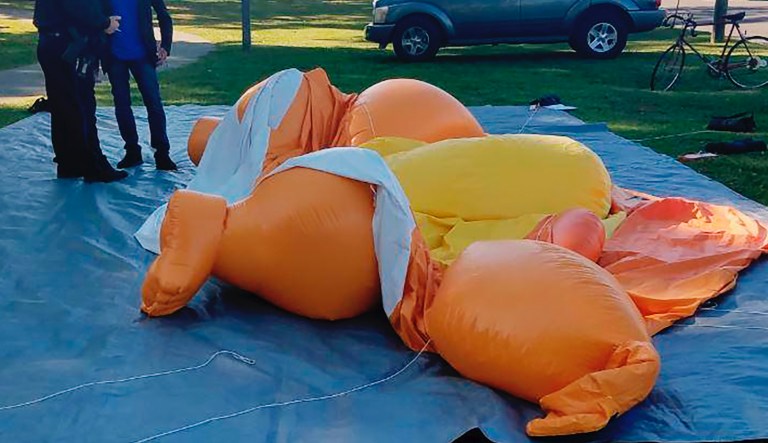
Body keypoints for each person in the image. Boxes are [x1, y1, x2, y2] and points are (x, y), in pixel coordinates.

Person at [33, 0, 128, 182]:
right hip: (67, 45)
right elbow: (79, 6)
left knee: (63, 107)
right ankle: (93, 165)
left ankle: (68, 163)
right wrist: (105, 23)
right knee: (81, 106)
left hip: (52, 42)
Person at [103, 0, 177, 171]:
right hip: (114, 56)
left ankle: (162, 152)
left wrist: (166, 45)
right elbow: (94, 16)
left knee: (154, 103)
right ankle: (132, 151)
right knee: (122, 105)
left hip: (143, 54)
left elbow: (164, 15)